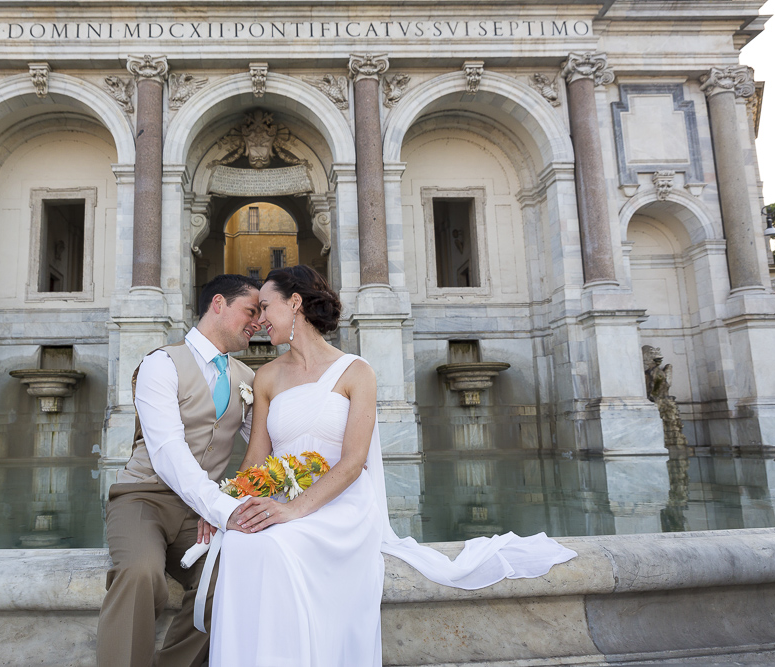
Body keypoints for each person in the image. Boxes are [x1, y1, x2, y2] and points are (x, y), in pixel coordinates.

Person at [203, 265, 577, 666]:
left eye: (265, 307)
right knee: (242, 542)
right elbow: (256, 458)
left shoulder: (356, 372)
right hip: (285, 495)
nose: (258, 320)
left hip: (340, 503)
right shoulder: (268, 377)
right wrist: (224, 506)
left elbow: (353, 463)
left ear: (294, 304)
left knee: (277, 543)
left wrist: (292, 510)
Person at [96, 273, 262, 667]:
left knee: (230, 578)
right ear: (218, 303)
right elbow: (168, 450)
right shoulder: (161, 364)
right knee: (140, 573)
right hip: (143, 499)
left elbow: (265, 445)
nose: (257, 322)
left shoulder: (247, 378)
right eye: (250, 311)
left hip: (199, 513)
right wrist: (219, 507)